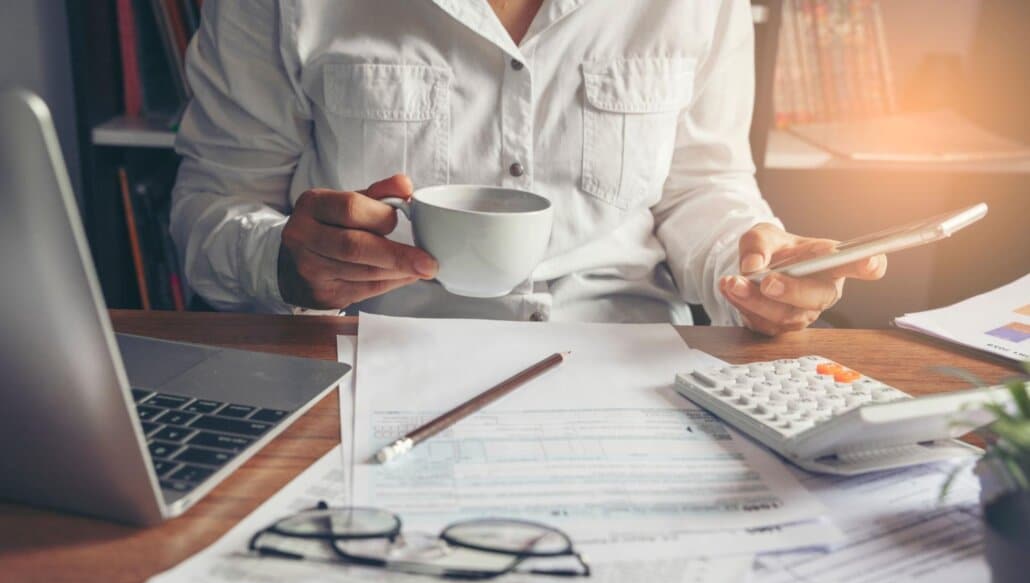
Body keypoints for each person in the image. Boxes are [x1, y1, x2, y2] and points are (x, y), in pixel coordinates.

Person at [171, 0, 887, 334]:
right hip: (369, 367)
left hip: (632, 368)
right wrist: (284, 263)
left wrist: (752, 268)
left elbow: (703, 182)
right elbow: (211, 205)